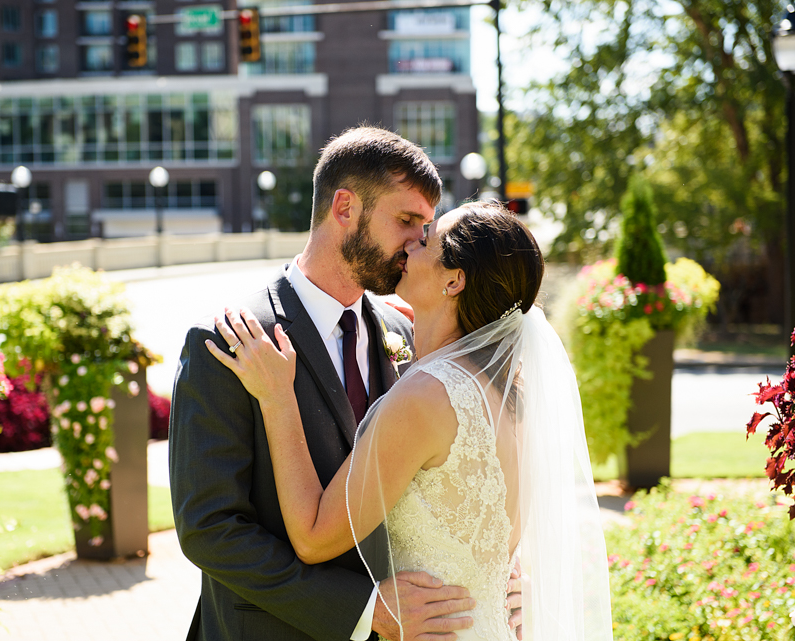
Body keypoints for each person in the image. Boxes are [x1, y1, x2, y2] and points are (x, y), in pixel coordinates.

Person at [208, 202, 614, 640]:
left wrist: (278, 398)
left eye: (425, 241)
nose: (408, 247)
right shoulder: (510, 396)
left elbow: (312, 537)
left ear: (454, 280)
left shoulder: (426, 395)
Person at [169, 126, 485, 641]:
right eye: (406, 220)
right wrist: (364, 610)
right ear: (344, 208)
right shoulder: (228, 340)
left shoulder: (409, 333)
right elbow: (210, 529)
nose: (417, 243)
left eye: (425, 226)